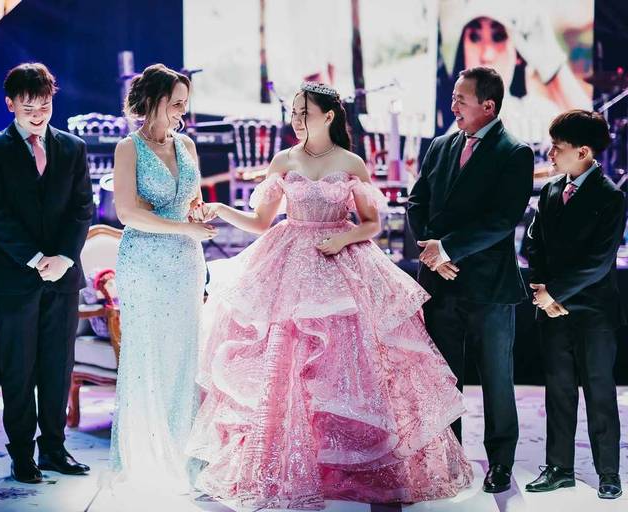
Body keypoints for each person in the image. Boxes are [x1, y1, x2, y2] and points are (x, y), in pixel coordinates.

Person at [185, 82, 472, 508]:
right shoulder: (284, 160)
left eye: (304, 111)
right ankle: (292, 465)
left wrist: (343, 239)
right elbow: (261, 222)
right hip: (288, 262)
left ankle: (352, 465)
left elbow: (372, 223)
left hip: (341, 263)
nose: (297, 119)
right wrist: (221, 210)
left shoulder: (351, 162)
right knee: (286, 362)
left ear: (329, 115)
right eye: (294, 111)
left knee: (348, 364)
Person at [407, 65, 534, 493]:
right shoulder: (441, 145)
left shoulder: (514, 152)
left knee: (497, 379)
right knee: (443, 379)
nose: (453, 106)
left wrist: (447, 250)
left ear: (488, 106)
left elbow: (501, 221)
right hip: (440, 284)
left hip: (489, 288)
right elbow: (417, 201)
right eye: (453, 98)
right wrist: (432, 253)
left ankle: (500, 464)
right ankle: (450, 460)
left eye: (461, 100)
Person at [0, 62, 93, 483]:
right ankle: (22, 453)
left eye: (44, 105)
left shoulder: (73, 147)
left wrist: (63, 257)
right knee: (19, 369)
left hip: (63, 276)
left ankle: (55, 450)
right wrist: (35, 258)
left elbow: (83, 207)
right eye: (28, 108)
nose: (38, 114)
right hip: (15, 277)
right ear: (10, 104)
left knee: (58, 366)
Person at [108, 63, 216, 489]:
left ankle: (185, 456)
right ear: (153, 101)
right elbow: (127, 213)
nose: (182, 112)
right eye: (176, 103)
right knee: (147, 355)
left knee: (187, 355)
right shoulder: (128, 148)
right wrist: (183, 227)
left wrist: (198, 213)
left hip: (187, 261)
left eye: (185, 104)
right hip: (145, 262)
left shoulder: (186, 143)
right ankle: (146, 457)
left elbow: (191, 200)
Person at [525, 110, 624, 500]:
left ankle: (608, 473)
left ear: (583, 152)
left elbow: (599, 262)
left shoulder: (610, 196)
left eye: (557, 147)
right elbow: (533, 243)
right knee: (558, 391)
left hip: (594, 313)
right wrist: (541, 290)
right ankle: (559, 468)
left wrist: (555, 293)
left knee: (599, 392)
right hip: (551, 308)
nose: (550, 154)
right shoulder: (551, 190)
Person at [439, 0, 592, 142]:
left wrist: (552, 63)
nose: (486, 55)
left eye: (498, 36)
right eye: (475, 37)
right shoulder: (451, 132)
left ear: (518, 53)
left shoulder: (540, 116)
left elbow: (592, 137)